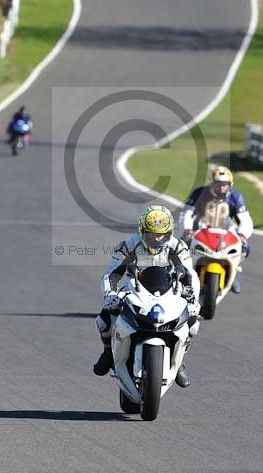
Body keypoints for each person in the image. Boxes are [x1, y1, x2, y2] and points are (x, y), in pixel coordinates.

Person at [93, 204, 200, 388]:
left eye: (161, 234)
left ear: (169, 233)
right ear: (142, 231)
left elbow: (190, 275)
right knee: (104, 320)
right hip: (132, 289)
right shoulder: (128, 246)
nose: (156, 239)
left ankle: (180, 359)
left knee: (193, 323)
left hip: (168, 291)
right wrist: (110, 294)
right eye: (151, 234)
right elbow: (111, 275)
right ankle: (108, 353)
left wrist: (192, 298)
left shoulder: (178, 247)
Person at [179, 166, 253, 295]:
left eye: (225, 185)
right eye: (219, 184)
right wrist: (187, 229)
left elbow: (245, 219)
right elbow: (186, 213)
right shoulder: (199, 193)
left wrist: (242, 235)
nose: (222, 188)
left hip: (226, 230)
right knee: (181, 245)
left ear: (230, 185)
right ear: (212, 183)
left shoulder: (236, 197)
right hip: (201, 228)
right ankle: (181, 273)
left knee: (245, 248)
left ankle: (233, 270)